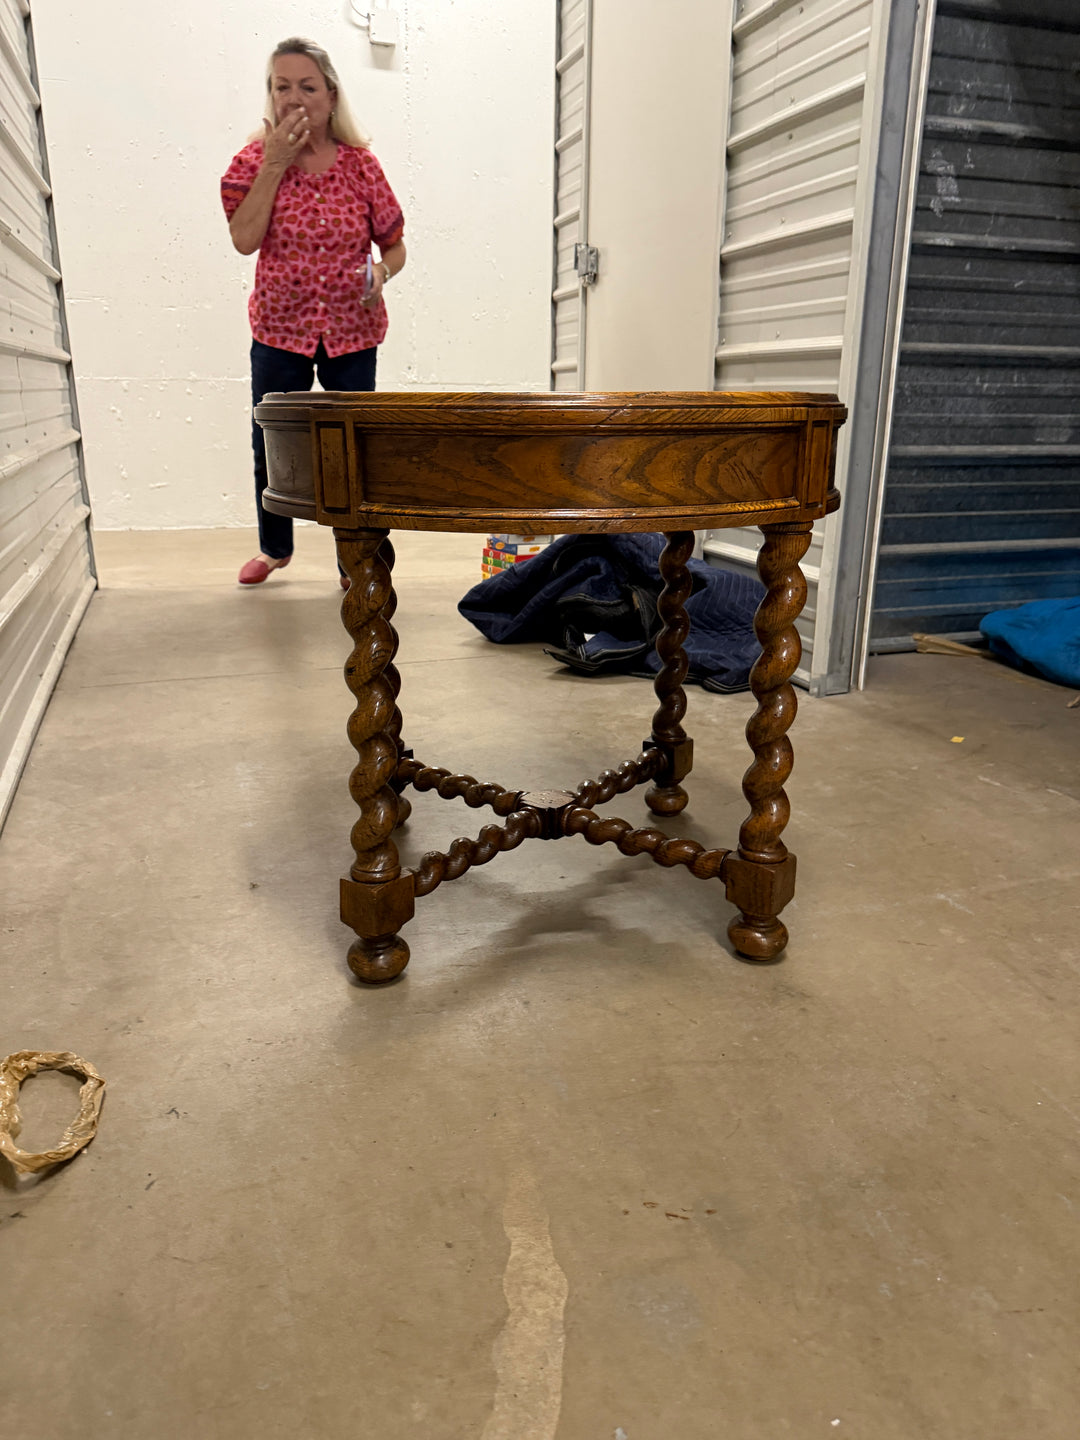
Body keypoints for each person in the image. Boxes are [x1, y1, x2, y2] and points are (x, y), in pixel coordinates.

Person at [221, 37, 406, 586]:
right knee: (273, 443)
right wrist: (275, 164)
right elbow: (244, 239)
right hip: (280, 330)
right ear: (270, 95)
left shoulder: (361, 166)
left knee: (353, 449)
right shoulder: (250, 163)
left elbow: (393, 244)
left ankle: (357, 558)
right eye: (282, 87)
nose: (294, 98)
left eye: (307, 86)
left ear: (330, 96)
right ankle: (275, 547)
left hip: (353, 330)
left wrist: (382, 271)